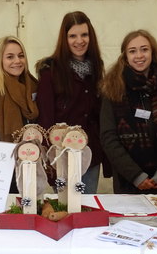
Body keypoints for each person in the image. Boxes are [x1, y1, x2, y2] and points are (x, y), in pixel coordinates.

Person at [100, 30, 157, 194]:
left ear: (153, 52)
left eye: (144, 49)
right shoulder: (112, 88)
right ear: (125, 56)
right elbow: (108, 137)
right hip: (128, 181)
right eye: (132, 51)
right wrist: (136, 176)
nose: (139, 55)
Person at [35, 11, 107, 194]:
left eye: (84, 35)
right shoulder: (50, 72)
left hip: (90, 154)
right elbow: (45, 117)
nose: (79, 41)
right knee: (65, 206)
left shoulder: (97, 68)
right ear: (64, 39)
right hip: (61, 156)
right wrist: (50, 159)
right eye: (72, 36)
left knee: (85, 205)